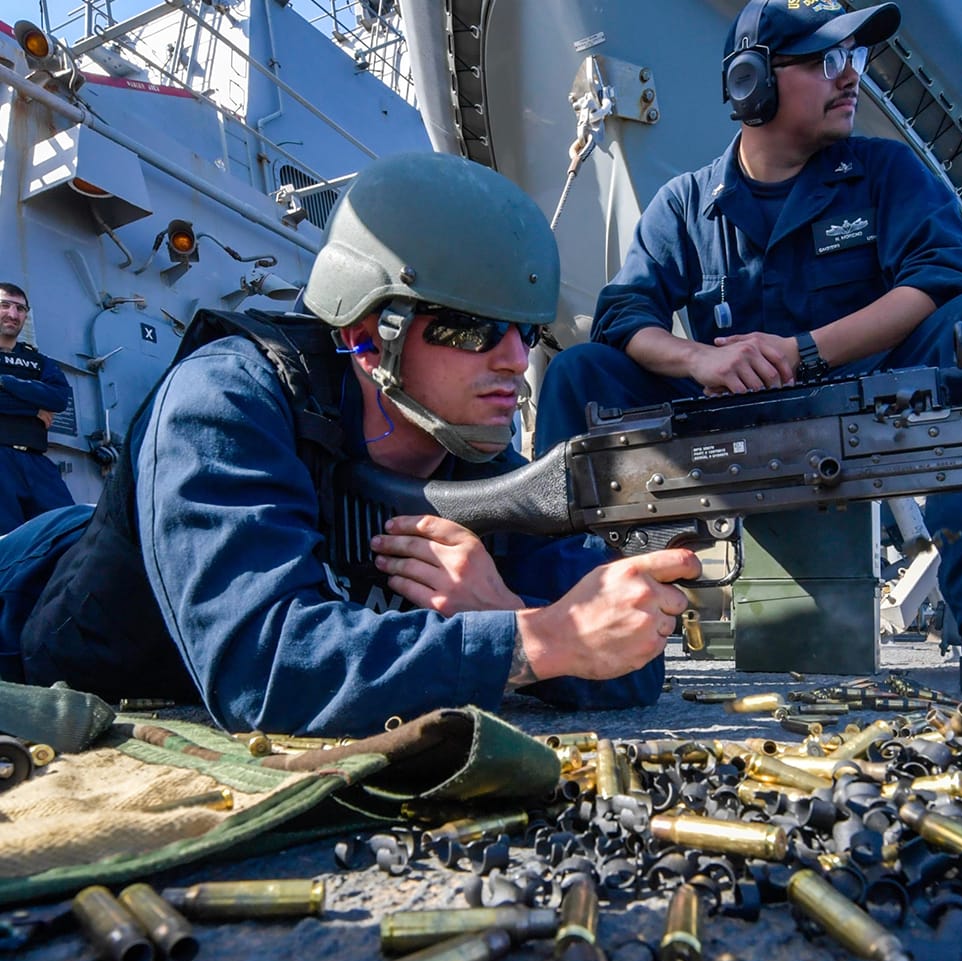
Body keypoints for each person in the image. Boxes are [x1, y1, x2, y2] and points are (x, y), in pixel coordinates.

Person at [533, 0, 962, 706]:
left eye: (854, 60)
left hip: (879, 410)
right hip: (730, 414)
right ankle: (558, 612)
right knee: (581, 374)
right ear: (751, 82)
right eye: (823, 62)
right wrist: (699, 361)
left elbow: (948, 277)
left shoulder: (884, 174)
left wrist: (802, 350)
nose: (850, 79)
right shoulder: (685, 205)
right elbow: (624, 315)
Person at [15, 151, 699, 734]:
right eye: (473, 328)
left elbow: (626, 656)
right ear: (367, 336)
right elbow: (265, 670)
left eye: (526, 331)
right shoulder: (223, 400)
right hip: (32, 601)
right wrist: (539, 639)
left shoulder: (471, 454)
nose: (513, 359)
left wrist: (506, 614)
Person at [0, 283, 75, 536]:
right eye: (4, 305)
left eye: (20, 309)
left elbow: (59, 398)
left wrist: (6, 382)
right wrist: (33, 411)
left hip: (37, 462)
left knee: (69, 534)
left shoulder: (38, 361)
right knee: (7, 542)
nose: (13, 314)